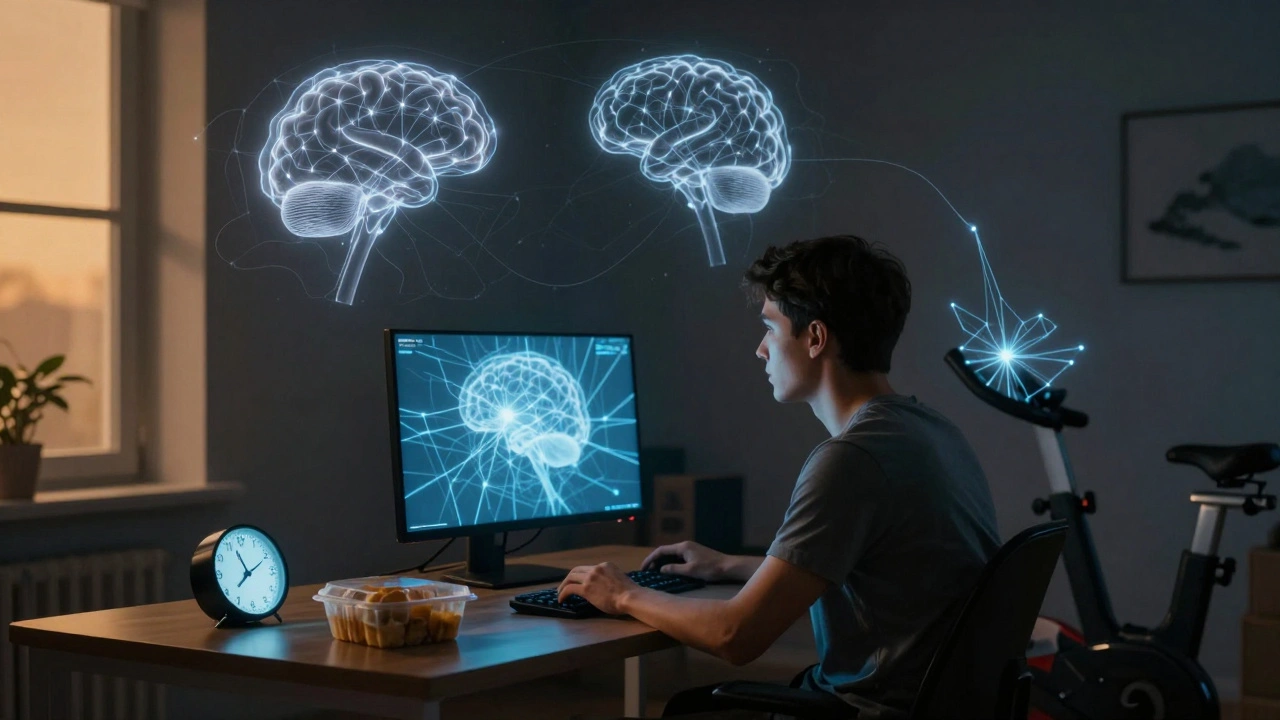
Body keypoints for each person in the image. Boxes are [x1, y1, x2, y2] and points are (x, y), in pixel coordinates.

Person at [557, 235, 1000, 713]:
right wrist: (732, 566)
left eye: (771, 327)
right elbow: (886, 571)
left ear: (815, 338)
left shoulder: (852, 459)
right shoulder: (930, 431)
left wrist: (623, 594)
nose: (760, 349)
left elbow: (735, 637)